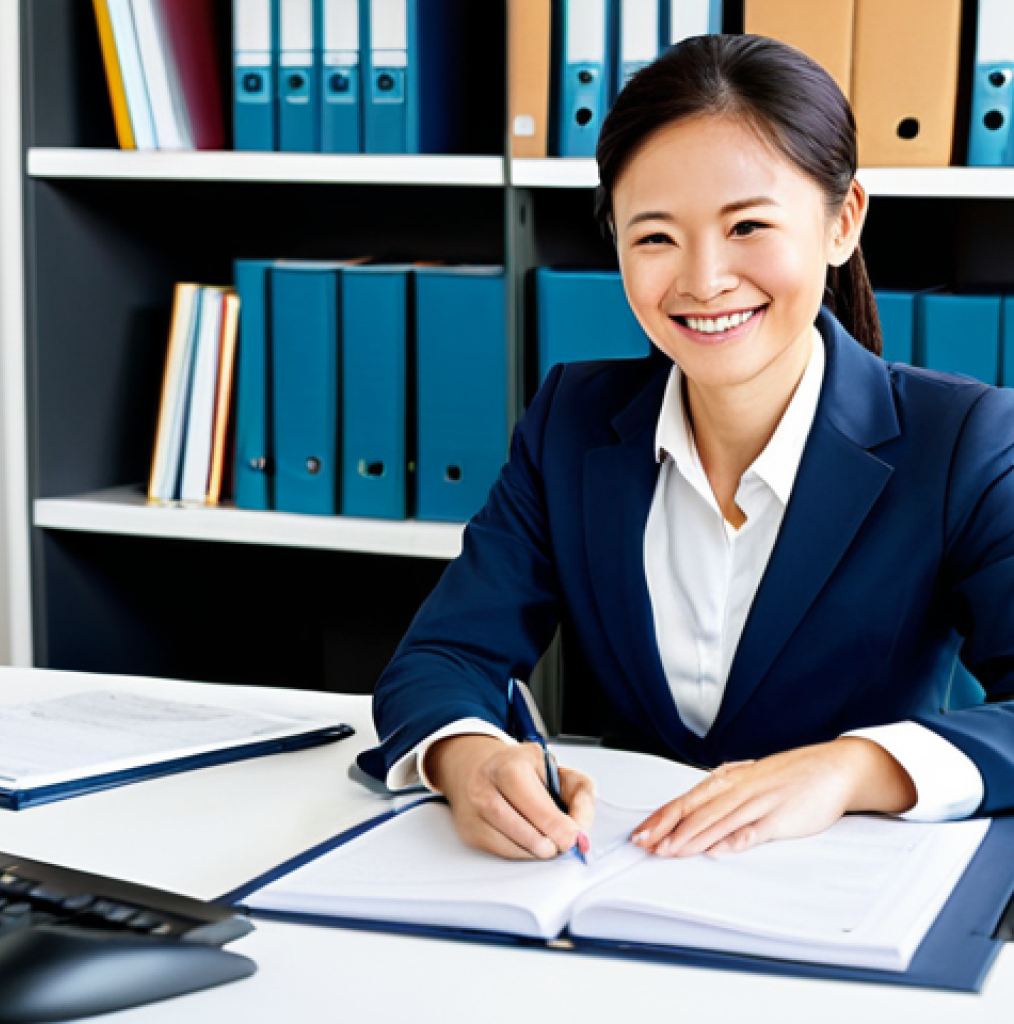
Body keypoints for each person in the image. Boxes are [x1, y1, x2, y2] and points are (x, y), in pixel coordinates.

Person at [357, 34, 1014, 862]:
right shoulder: (573, 421)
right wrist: (469, 755)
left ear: (843, 221)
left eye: (747, 226)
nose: (703, 281)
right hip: (612, 884)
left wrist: (852, 769)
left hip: (845, 902)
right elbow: (446, 653)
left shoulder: (965, 441)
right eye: (656, 237)